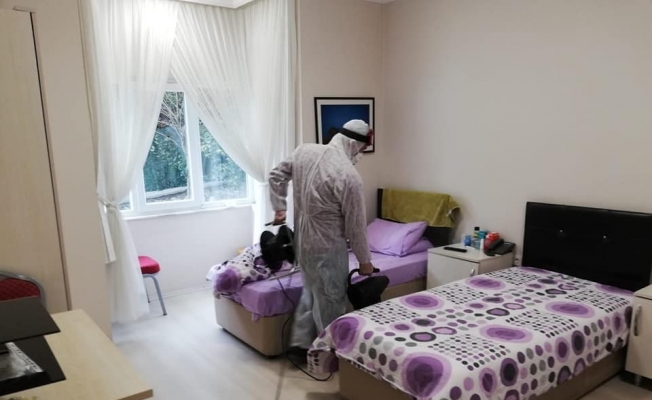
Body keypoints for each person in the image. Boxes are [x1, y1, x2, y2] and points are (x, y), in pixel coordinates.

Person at [269, 119, 375, 357]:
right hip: (327, 247)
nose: (360, 154)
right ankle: (328, 355)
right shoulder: (349, 176)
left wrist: (279, 207)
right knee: (331, 300)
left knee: (310, 293)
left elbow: (276, 175)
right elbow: (356, 227)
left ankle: (301, 346)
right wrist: (365, 262)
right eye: (361, 148)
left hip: (302, 241)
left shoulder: (303, 151)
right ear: (353, 144)